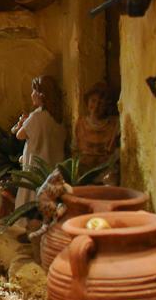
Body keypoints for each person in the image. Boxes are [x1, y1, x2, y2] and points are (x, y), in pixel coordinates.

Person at [12, 75, 67, 208]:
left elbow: (20, 135)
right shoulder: (57, 117)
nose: (32, 94)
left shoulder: (36, 116)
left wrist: (22, 123)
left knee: (29, 199)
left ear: (41, 95)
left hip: (36, 169)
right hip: (53, 168)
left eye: (34, 91)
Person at [74, 82, 119, 173]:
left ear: (107, 105)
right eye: (93, 101)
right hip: (84, 171)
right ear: (87, 102)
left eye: (101, 103)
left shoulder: (114, 125)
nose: (96, 106)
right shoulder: (81, 124)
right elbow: (75, 150)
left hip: (106, 172)